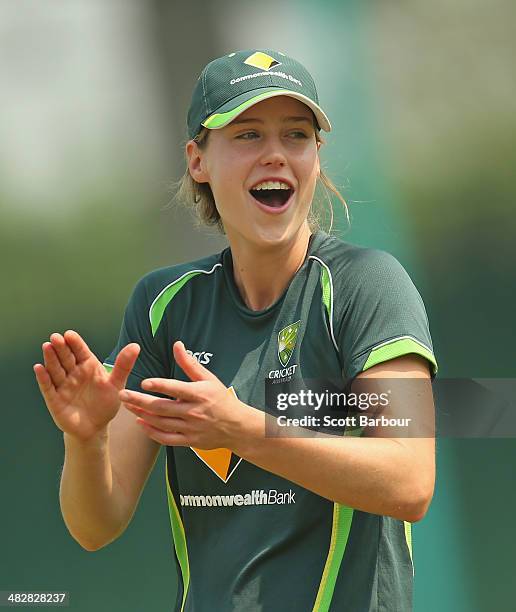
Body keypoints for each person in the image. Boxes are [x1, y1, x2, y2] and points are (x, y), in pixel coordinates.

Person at [34, 49, 438, 612]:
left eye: (296, 135)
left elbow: (411, 479)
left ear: (316, 158)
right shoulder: (164, 304)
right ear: (198, 160)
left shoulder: (366, 286)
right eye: (247, 135)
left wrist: (246, 431)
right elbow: (94, 526)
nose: (275, 154)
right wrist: (85, 439)